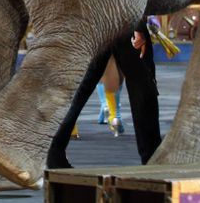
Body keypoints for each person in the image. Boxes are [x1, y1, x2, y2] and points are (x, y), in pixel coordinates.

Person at [47, 20, 162, 169]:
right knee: (142, 88)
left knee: (83, 85)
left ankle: (54, 148)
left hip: (97, 21)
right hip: (124, 19)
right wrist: (138, 25)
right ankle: (152, 156)